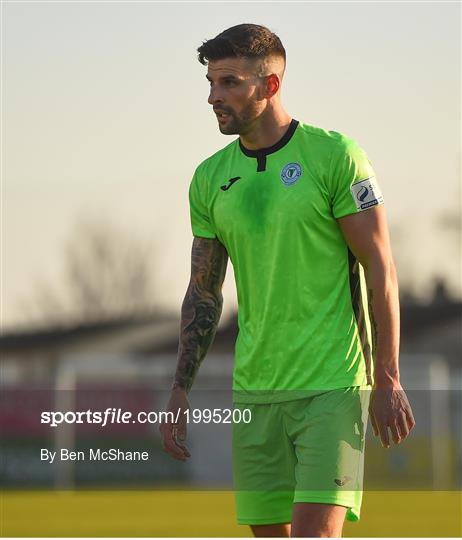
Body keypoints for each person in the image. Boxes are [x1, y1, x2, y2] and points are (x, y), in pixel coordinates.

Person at [159, 23, 415, 538]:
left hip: (333, 385)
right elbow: (203, 292)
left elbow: (380, 266)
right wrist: (181, 386)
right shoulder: (209, 179)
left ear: (270, 85)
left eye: (229, 82)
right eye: (211, 83)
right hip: (255, 393)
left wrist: (386, 376)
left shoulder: (336, 156)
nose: (214, 96)